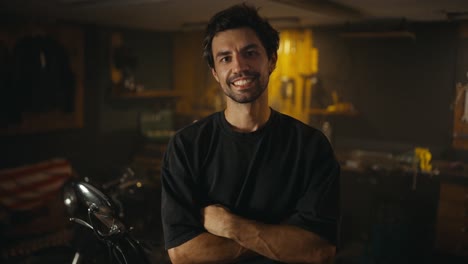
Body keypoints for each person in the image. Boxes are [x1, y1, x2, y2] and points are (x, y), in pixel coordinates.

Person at [161, 3, 340, 263]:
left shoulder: (311, 146)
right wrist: (280, 239)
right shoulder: (186, 146)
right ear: (215, 73)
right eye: (225, 58)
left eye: (250, 53)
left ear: (271, 60)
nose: (239, 66)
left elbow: (318, 251)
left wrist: (231, 226)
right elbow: (183, 254)